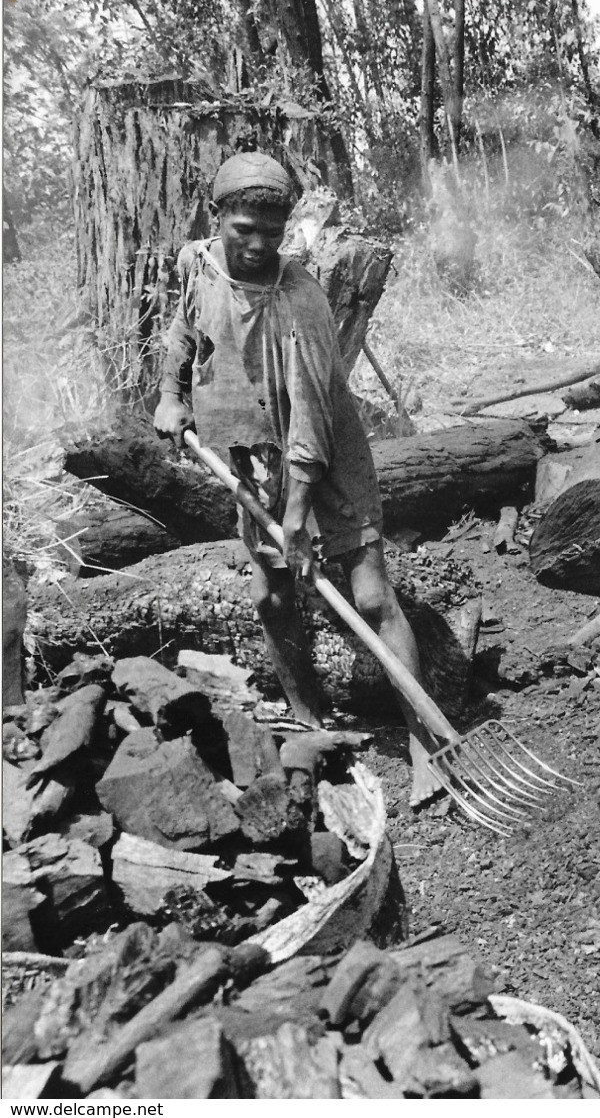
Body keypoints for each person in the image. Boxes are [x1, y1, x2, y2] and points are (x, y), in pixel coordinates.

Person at [153, 151, 443, 806]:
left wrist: (297, 513)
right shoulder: (198, 264)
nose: (257, 245)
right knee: (272, 596)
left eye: (271, 231)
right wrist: (169, 394)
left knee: (369, 595)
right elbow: (182, 327)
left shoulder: (299, 300)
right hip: (252, 454)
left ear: (287, 229)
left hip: (325, 459)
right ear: (216, 217)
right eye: (242, 229)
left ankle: (427, 740)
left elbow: (312, 418)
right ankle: (307, 717)